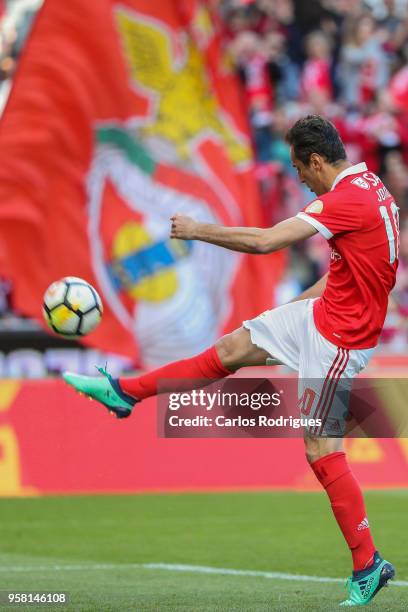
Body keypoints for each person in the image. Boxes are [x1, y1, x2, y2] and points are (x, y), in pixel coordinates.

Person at [63, 115, 397, 606]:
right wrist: (293, 313)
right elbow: (351, 272)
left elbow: (265, 242)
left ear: (318, 160)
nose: (299, 179)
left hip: (341, 340)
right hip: (324, 314)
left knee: (319, 450)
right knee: (230, 351)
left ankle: (368, 564)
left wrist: (198, 230)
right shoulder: (371, 189)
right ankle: (125, 393)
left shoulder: (345, 198)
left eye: (300, 169)